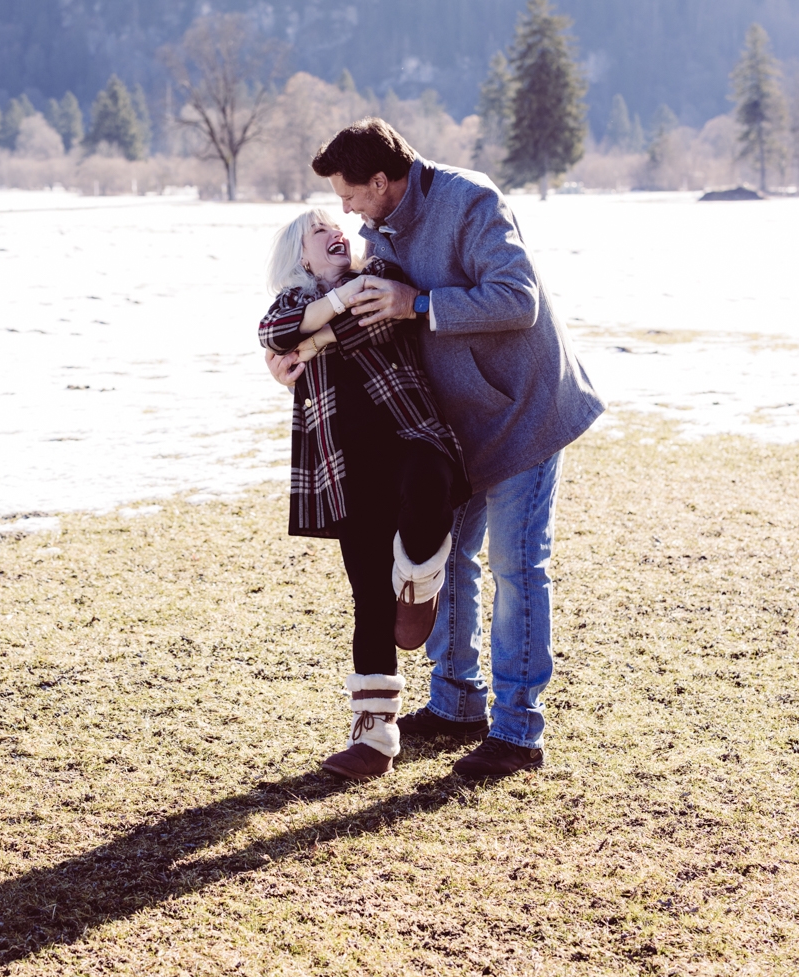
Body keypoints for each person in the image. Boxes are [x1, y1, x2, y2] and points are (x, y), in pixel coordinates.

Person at [267, 119, 604, 782]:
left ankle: (518, 732)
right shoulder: (375, 231)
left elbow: (518, 299)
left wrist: (416, 302)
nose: (347, 211)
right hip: (451, 427)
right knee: (447, 560)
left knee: (516, 567)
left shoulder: (471, 201)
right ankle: (455, 704)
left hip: (522, 409)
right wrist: (289, 359)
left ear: (382, 180)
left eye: (350, 195)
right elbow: (335, 311)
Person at [259, 208, 468, 781]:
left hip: (410, 431)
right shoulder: (289, 307)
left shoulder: (377, 273)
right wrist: (316, 321)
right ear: (301, 259)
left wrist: (314, 338)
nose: (336, 233)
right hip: (343, 467)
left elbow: (369, 324)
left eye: (336, 226)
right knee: (368, 595)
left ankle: (418, 581)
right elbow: (272, 335)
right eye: (318, 230)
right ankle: (374, 737)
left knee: (431, 484)